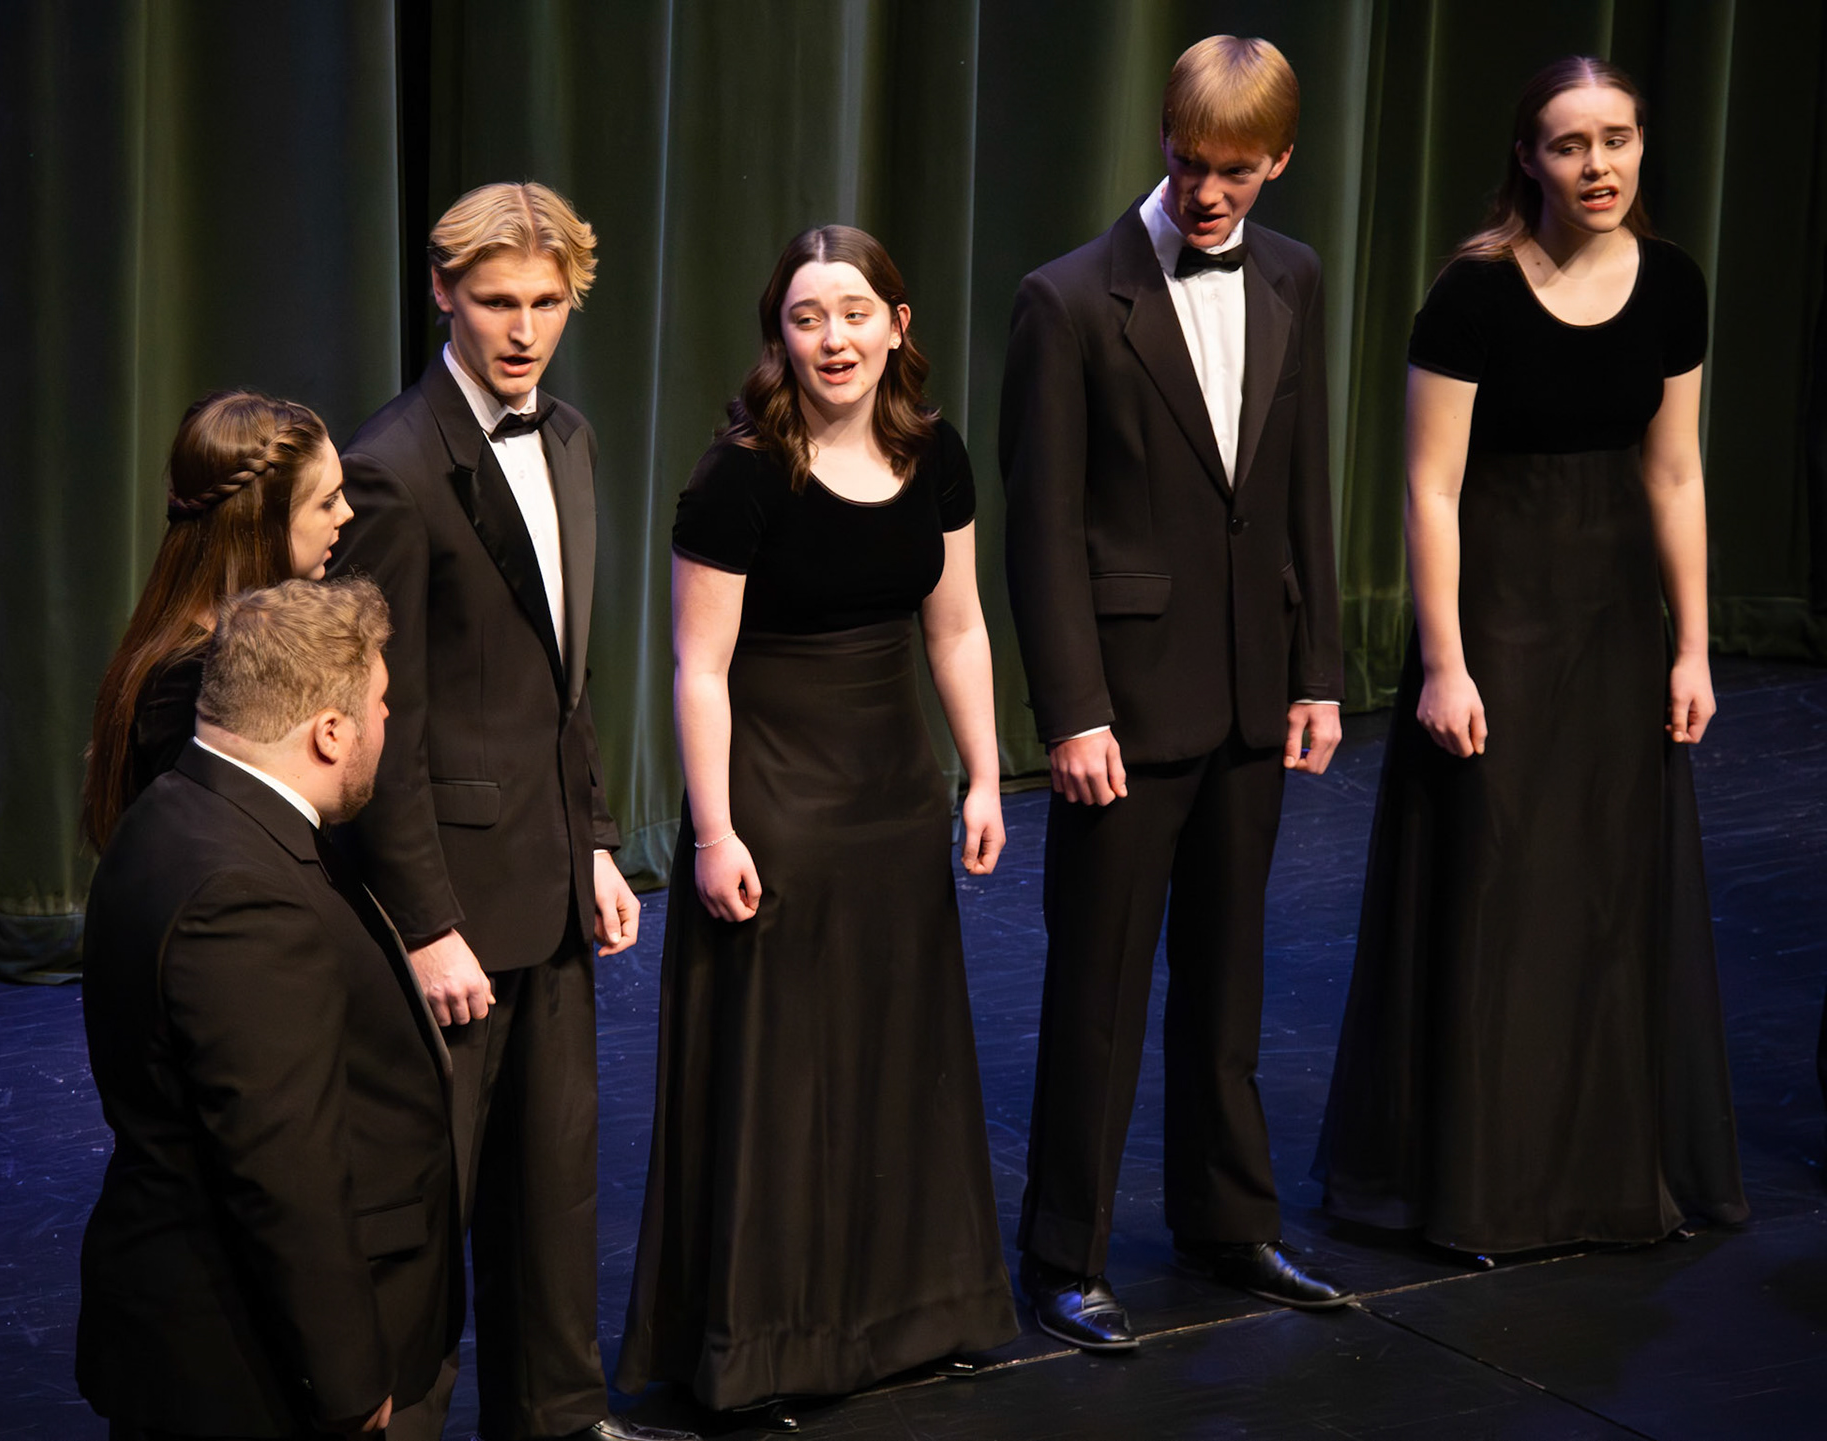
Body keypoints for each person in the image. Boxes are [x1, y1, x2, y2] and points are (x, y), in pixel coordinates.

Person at [1313, 56, 1750, 1257]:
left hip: (1613, 616)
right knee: (1496, 886)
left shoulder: (1672, 284)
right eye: (1569, 144)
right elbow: (1430, 488)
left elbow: (1674, 472)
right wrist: (1444, 661)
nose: (1597, 164)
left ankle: (1597, 1175)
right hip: (1498, 608)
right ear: (1528, 159)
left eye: (1616, 139)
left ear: (1643, 150)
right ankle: (1478, 1179)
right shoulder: (1475, 294)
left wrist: (1695, 646)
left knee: (1603, 888)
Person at [616, 224, 1019, 1425]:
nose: (833, 337)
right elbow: (699, 668)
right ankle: (767, 1343)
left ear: (898, 324)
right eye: (807, 316)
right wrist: (714, 830)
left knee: (901, 1054)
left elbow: (956, 626)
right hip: (777, 791)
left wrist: (986, 778)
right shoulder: (738, 471)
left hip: (894, 791)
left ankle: (914, 1313)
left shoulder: (935, 454)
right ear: (778, 336)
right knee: (780, 1074)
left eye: (854, 312)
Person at [1000, 34, 1350, 1352]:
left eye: (1237, 175)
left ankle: (1230, 1221)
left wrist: (1317, 667)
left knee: (1229, 974)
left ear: (1280, 163)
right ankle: (1065, 1254)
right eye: (1190, 166)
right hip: (1125, 709)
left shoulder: (1297, 278)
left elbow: (1301, 478)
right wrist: (1072, 710)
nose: (1208, 198)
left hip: (1255, 687)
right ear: (1161, 139)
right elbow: (1043, 531)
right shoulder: (1070, 299)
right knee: (1098, 988)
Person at [330, 183, 687, 1441]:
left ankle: (559, 1415)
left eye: (544, 303)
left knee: (554, 1185)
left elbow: (562, 682)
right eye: (494, 302)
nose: (520, 329)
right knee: (431, 1199)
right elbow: (390, 730)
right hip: (448, 906)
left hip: (548, 879)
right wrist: (424, 922)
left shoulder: (575, 437)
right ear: (443, 295)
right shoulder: (388, 469)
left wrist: (594, 839)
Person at [77, 577, 460, 1439]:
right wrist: (350, 1377)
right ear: (330, 731)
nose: (388, 722)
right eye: (382, 702)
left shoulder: (173, 814)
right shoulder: (246, 896)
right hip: (253, 1367)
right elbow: (284, 1168)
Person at [83, 390, 353, 852]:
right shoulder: (187, 686)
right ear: (262, 522)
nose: (346, 513)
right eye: (327, 502)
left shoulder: (219, 653)